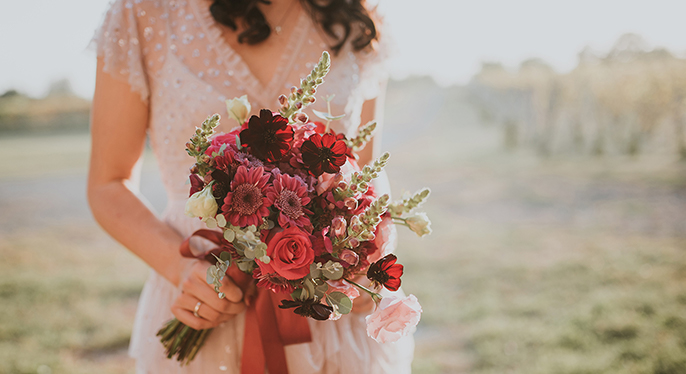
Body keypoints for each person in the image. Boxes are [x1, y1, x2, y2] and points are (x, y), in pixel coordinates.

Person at [88, 0, 414, 372]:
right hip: (203, 295)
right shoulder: (142, 14)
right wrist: (180, 271)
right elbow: (107, 183)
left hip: (329, 308)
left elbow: (364, 172)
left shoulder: (357, 17)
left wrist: (367, 258)